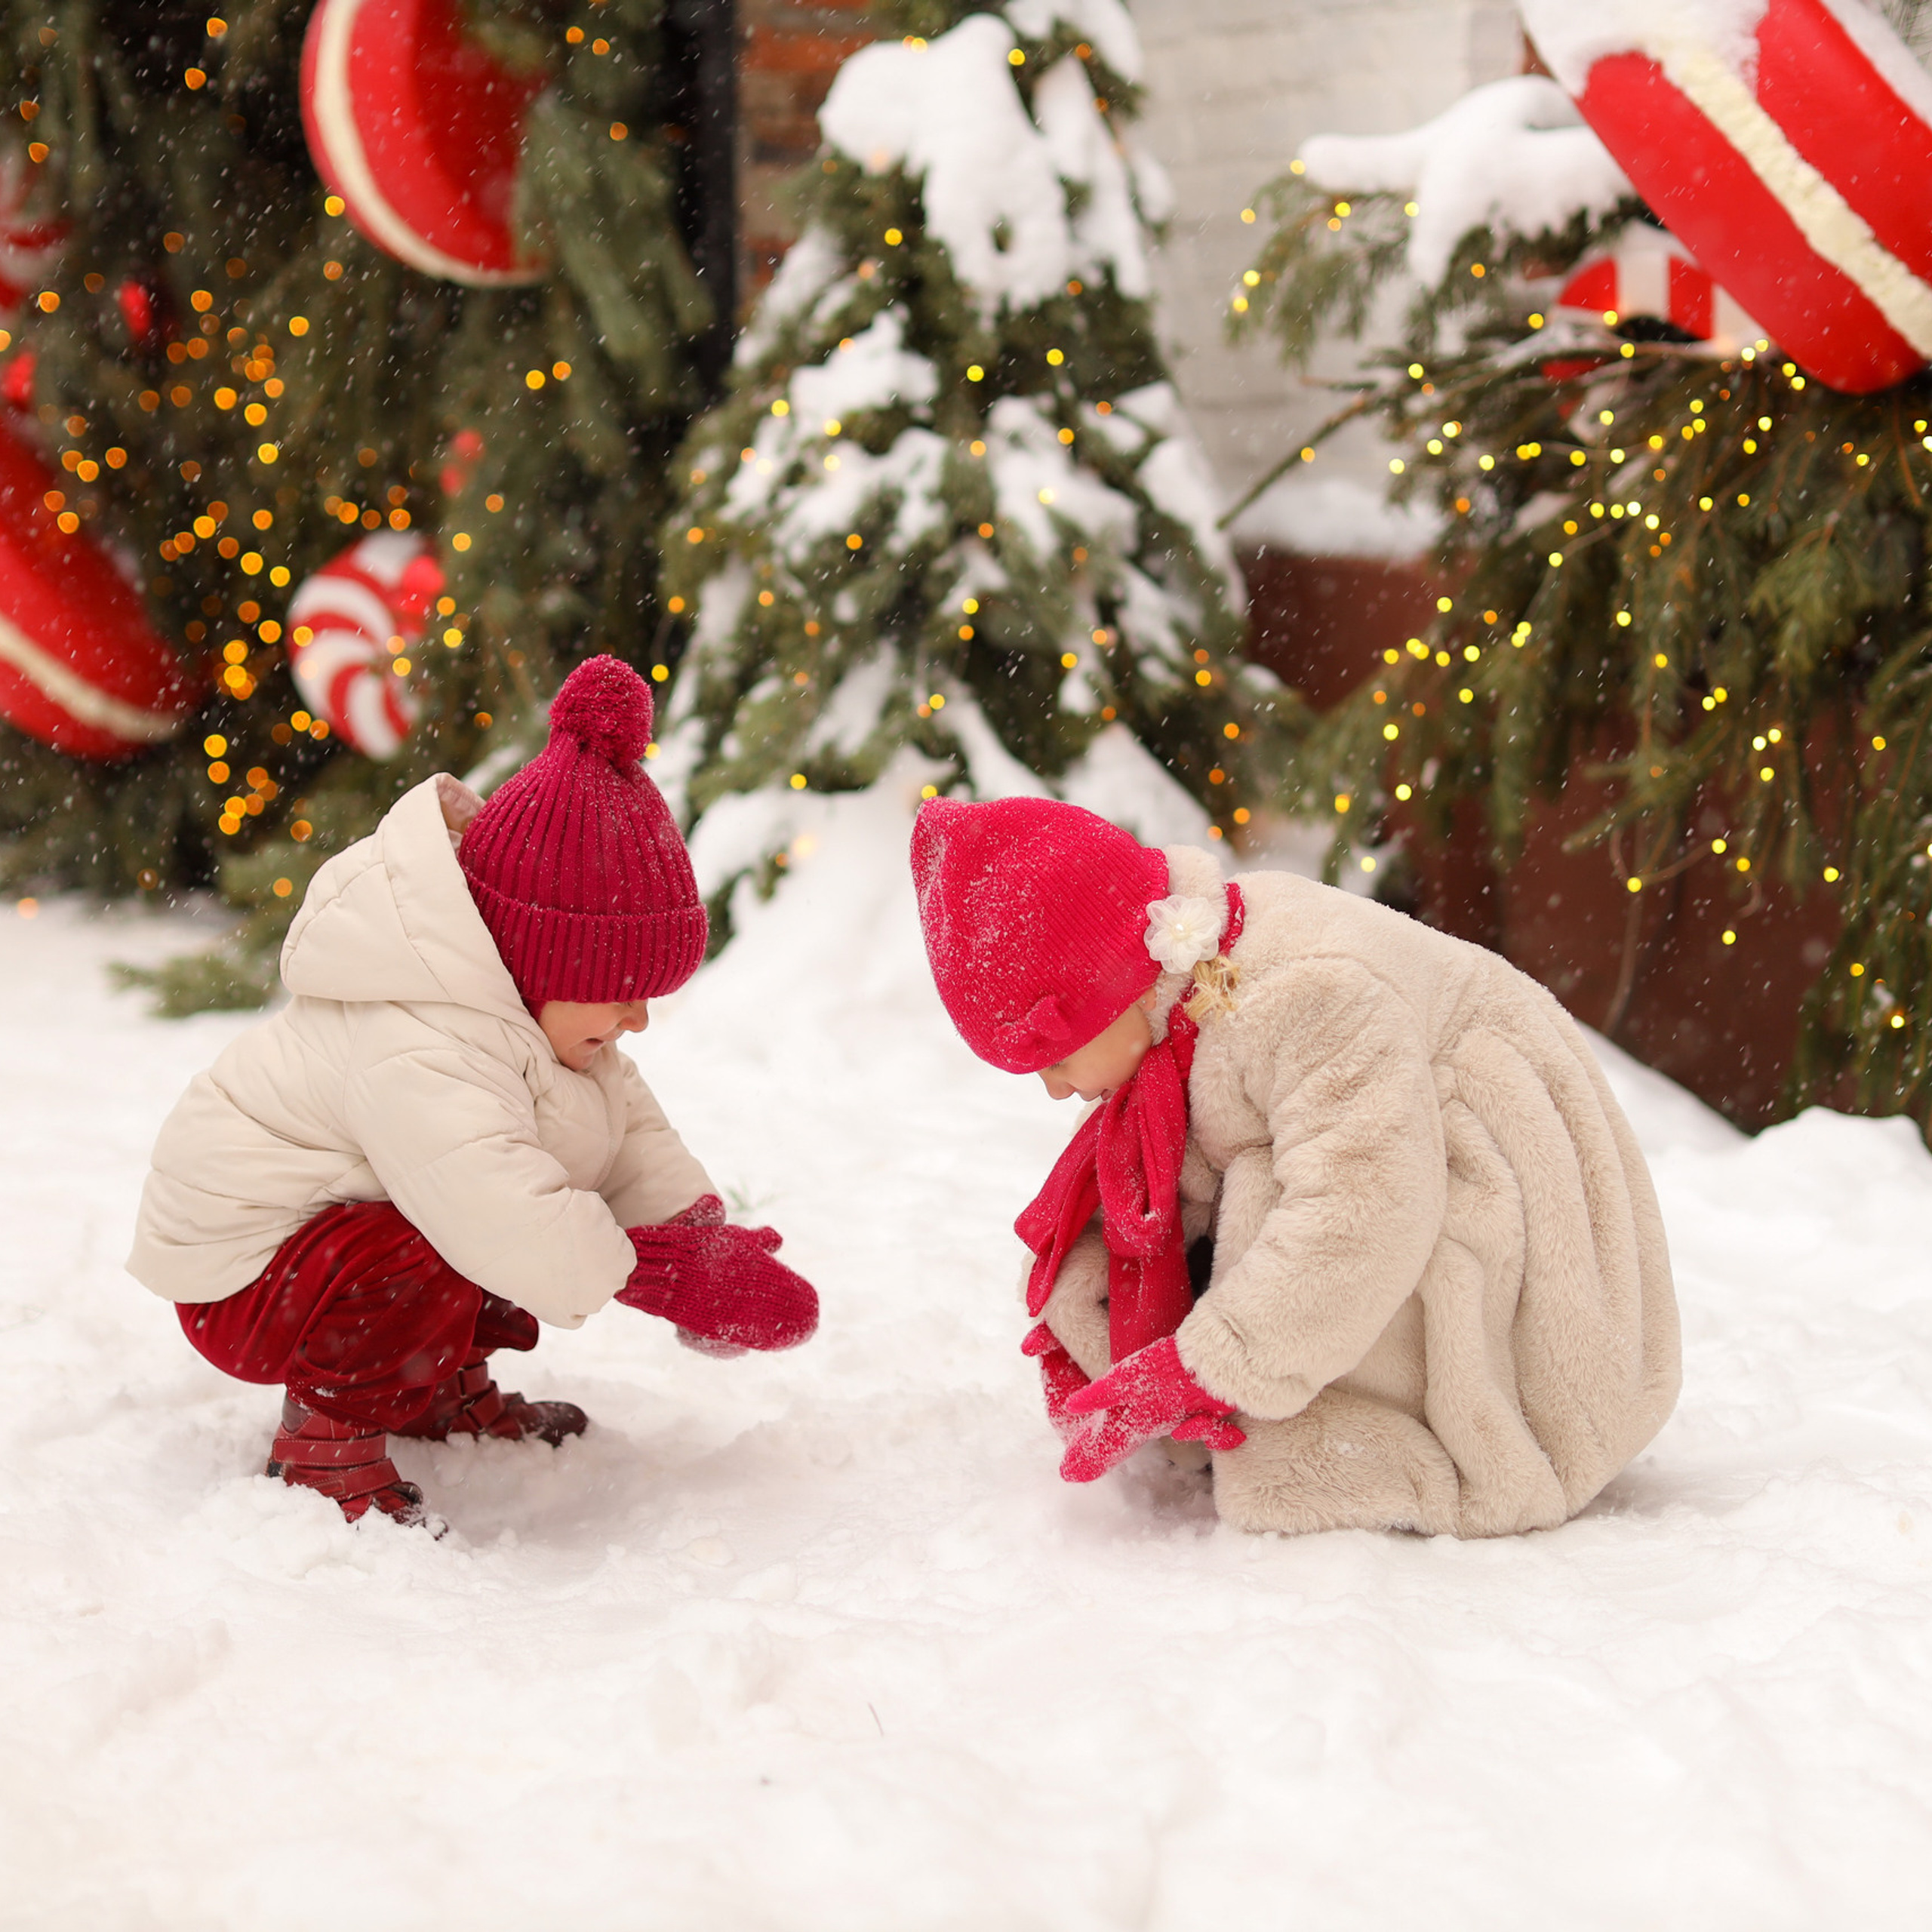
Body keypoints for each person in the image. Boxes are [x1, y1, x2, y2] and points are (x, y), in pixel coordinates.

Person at [128, 655, 817, 1528]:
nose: (639, 1019)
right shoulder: (419, 1034)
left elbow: (623, 1127)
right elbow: (501, 1215)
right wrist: (657, 1276)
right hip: (245, 1273)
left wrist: (695, 1235)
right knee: (478, 1217)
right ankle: (325, 1444)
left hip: (327, 1240)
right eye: (623, 989)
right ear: (546, 965)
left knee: (518, 1178)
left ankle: (434, 1390)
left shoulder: (541, 1021)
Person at [910, 795, 1679, 1538]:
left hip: (1498, 1184)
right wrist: (1087, 1305)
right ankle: (1268, 1379)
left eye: (1056, 1057)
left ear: (1108, 988)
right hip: (1390, 1148)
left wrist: (1217, 1362)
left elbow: (1368, 1208)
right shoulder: (1173, 990)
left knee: (1294, 1194)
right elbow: (1144, 1168)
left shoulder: (1308, 993)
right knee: (1172, 1159)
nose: (1053, 1089)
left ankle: (1387, 1424)